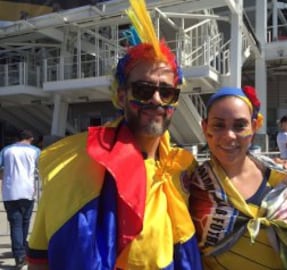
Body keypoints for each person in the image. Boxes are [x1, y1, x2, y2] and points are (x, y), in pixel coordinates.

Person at [26, 0, 202, 269]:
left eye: (166, 92)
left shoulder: (183, 167)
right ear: (121, 95)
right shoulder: (76, 161)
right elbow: (40, 257)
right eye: (143, 90)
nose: (156, 100)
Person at [189, 86, 287, 269]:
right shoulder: (190, 186)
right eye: (218, 125)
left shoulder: (286, 181)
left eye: (240, 126)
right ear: (205, 128)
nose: (229, 135)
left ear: (254, 127)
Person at [0, 129, 41, 269]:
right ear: (30, 138)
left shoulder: (6, 150)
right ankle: (22, 251)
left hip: (9, 191)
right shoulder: (35, 151)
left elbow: (1, 168)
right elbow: (40, 167)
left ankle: (19, 255)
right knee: (25, 222)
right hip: (28, 191)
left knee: (15, 223)